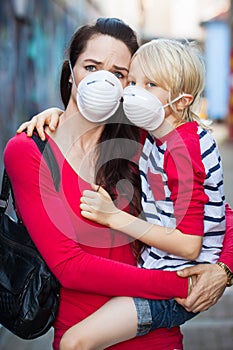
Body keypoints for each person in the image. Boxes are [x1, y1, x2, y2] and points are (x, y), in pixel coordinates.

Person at [14, 18, 233, 349]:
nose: (103, 80)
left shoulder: (145, 143)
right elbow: (71, 268)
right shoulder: (30, 150)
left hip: (157, 337)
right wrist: (178, 285)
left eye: (119, 74)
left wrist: (223, 271)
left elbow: (218, 212)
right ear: (71, 71)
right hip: (85, 337)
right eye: (91, 66)